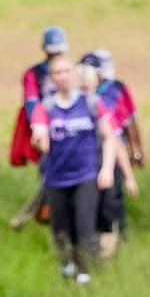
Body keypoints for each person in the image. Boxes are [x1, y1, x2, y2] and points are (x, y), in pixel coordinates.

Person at [26, 53, 123, 281]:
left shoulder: (91, 104)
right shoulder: (46, 107)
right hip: (56, 177)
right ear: (52, 78)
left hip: (86, 175)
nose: (62, 77)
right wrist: (39, 140)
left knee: (84, 223)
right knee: (61, 227)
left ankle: (85, 271)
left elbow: (110, 137)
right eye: (57, 73)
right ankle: (67, 264)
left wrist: (107, 169)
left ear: (75, 75)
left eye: (66, 71)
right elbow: (39, 131)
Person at [6, 23, 66, 229]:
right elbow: (32, 102)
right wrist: (39, 129)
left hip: (71, 130)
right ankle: (45, 212)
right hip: (46, 131)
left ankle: (43, 212)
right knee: (48, 171)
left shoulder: (69, 71)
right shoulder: (34, 74)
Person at [81, 47, 142, 236]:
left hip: (112, 153)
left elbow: (124, 127)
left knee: (112, 199)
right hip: (84, 160)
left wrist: (136, 151)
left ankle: (116, 236)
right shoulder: (74, 102)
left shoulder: (115, 91)